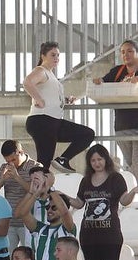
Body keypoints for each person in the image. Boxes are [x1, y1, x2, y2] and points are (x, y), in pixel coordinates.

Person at [71, 144, 137, 260]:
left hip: (110, 236)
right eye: (93, 160)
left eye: (99, 159)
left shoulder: (116, 178)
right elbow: (79, 203)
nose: (96, 163)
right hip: (89, 237)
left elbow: (124, 200)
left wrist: (133, 192)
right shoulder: (86, 180)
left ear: (106, 159)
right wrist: (63, 197)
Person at [23, 41, 95, 173]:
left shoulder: (51, 76)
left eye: (58, 55)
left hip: (53, 122)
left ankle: (63, 159)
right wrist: (38, 99)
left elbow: (50, 95)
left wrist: (65, 100)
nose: (56, 58)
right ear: (43, 56)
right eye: (52, 55)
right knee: (44, 163)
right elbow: (27, 82)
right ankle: (37, 190)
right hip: (43, 121)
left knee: (87, 134)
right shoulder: (41, 70)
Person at [93, 40, 138, 172]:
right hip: (122, 126)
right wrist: (99, 81)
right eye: (123, 52)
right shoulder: (117, 71)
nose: (126, 55)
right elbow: (103, 83)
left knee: (136, 165)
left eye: (130, 51)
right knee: (132, 165)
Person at [0, 140, 40, 250]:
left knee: (30, 257)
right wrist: (1, 180)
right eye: (8, 161)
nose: (12, 164)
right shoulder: (4, 167)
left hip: (28, 223)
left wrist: (17, 177)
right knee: (9, 258)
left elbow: (37, 191)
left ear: (21, 152)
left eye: (14, 159)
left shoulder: (35, 166)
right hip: (9, 222)